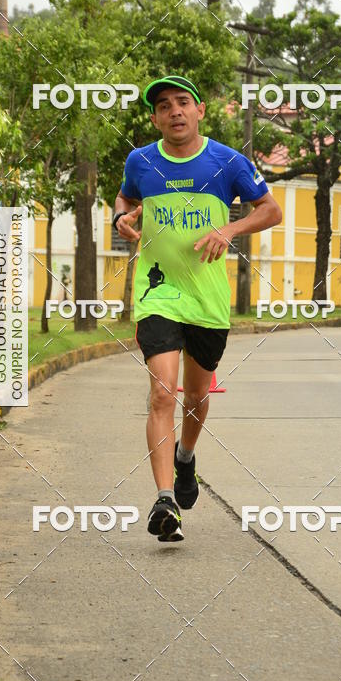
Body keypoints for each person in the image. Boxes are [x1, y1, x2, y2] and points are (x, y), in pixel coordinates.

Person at [112, 74, 282, 542]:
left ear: (200, 110)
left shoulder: (228, 161)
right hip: (158, 292)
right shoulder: (141, 160)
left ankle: (186, 456)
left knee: (196, 396)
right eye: (164, 106)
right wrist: (121, 216)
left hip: (208, 299)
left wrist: (229, 230)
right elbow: (126, 195)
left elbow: (271, 209)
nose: (175, 111)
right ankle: (165, 499)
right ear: (155, 118)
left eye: (182, 102)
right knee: (162, 394)